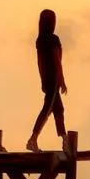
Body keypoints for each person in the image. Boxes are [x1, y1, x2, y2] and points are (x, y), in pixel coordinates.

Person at [26, 8, 67, 152]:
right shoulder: (53, 39)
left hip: (47, 79)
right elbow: (57, 61)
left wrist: (42, 80)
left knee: (58, 109)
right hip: (54, 79)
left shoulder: (40, 40)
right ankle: (33, 139)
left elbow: (39, 62)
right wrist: (62, 80)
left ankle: (64, 139)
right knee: (47, 109)